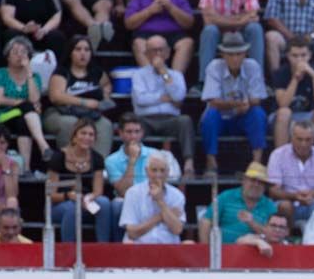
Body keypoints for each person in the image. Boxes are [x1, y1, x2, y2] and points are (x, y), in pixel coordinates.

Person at [200, 31, 269, 173]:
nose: (235, 58)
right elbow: (212, 101)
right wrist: (237, 104)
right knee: (210, 116)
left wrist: (246, 105)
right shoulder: (214, 67)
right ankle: (211, 162)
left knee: (258, 114)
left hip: (244, 116)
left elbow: (257, 98)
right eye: (230, 54)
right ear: (223, 55)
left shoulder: (253, 66)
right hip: (221, 118)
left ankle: (257, 162)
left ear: (245, 54)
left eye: (238, 54)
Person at [130, 35, 195, 176]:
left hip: (170, 119)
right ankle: (134, 165)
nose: (158, 54)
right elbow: (141, 99)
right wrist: (162, 98)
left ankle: (189, 163)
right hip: (145, 119)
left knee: (185, 121)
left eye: (161, 50)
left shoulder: (176, 75)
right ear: (146, 53)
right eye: (154, 50)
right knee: (133, 124)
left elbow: (178, 97)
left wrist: (164, 73)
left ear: (168, 53)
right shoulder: (138, 75)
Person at [267, 119, 314, 231]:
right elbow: (273, 190)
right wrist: (294, 196)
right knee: (284, 206)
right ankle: (286, 244)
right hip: (289, 202)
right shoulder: (277, 155)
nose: (304, 144)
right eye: (299, 139)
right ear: (291, 138)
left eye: (308, 140)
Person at [45, 35, 115, 157]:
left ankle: (98, 165)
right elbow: (56, 96)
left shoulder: (96, 72)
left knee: (105, 125)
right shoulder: (62, 72)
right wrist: (84, 102)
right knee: (71, 123)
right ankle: (70, 161)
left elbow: (107, 84)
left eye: (87, 50)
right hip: (60, 113)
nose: (83, 53)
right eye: (78, 49)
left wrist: (106, 95)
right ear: (70, 52)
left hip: (89, 115)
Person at [49, 119, 118, 242]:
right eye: (83, 133)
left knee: (104, 202)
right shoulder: (58, 157)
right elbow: (50, 195)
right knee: (72, 209)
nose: (87, 137)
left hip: (85, 202)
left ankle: (104, 248)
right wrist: (69, 196)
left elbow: (98, 191)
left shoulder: (97, 158)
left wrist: (87, 198)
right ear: (74, 136)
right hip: (61, 204)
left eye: (91, 134)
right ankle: (68, 251)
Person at [0, 36, 54, 171]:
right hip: (5, 115)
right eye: (15, 52)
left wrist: (28, 73)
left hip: (25, 118)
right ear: (8, 56)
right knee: (27, 107)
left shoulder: (34, 76)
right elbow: (0, 100)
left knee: (24, 121)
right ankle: (43, 145)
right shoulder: (1, 73)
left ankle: (25, 168)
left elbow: (34, 99)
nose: (20, 55)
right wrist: (22, 102)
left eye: (24, 52)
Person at [125, 0, 196, 74]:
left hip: (173, 34)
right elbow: (129, 23)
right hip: (146, 34)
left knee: (187, 43)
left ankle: (175, 80)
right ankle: (152, 79)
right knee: (138, 43)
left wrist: (171, 8)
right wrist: (149, 11)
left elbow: (189, 23)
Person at [198, 0, 265, 74]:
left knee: (255, 28)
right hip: (219, 32)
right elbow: (208, 19)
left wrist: (220, 18)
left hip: (241, 32)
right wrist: (240, 19)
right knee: (209, 30)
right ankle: (203, 82)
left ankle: (258, 78)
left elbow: (253, 14)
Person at [200, 162, 283, 245]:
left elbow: (273, 234)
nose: (256, 185)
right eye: (253, 180)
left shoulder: (269, 206)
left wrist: (252, 223)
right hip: (224, 251)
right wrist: (206, 251)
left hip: (257, 253)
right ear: (244, 181)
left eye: (260, 182)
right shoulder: (226, 197)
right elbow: (206, 221)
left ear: (265, 186)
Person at [272, 36, 314, 150]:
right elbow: (283, 103)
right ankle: (281, 160)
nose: (299, 60)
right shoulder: (281, 73)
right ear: (288, 56)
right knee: (284, 112)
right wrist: (295, 79)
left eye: (303, 55)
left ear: (309, 56)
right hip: (283, 118)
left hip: (308, 116)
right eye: (295, 56)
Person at [105, 114, 184, 202]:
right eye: (129, 132)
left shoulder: (155, 154)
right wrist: (132, 161)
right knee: (118, 204)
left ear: (142, 133)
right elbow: (123, 192)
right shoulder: (111, 160)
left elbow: (161, 184)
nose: (133, 136)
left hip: (151, 197)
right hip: (126, 200)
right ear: (120, 133)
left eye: (137, 131)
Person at [0, 0, 67, 63]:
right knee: (11, 34)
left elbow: (56, 16)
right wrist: (24, 28)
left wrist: (44, 30)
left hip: (42, 33)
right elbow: (7, 17)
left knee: (57, 36)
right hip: (20, 31)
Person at [118, 153, 185, 243]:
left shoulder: (177, 195)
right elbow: (132, 233)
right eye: (154, 170)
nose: (158, 175)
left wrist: (161, 202)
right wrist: (160, 217)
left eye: (162, 170)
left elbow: (177, 230)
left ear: (168, 172)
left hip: (168, 248)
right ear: (147, 171)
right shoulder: (132, 193)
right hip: (140, 247)